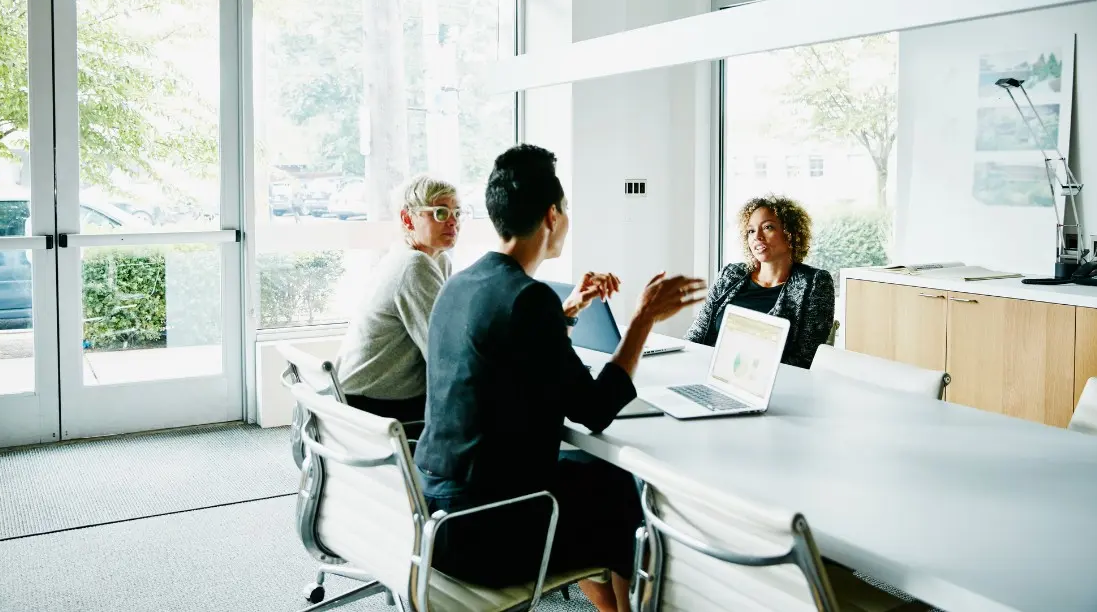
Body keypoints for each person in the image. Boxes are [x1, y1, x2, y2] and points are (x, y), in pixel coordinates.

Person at [413, 144, 706, 612]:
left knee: (596, 479)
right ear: (553, 215)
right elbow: (594, 409)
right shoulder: (527, 299)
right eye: (565, 209)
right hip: (484, 529)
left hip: (433, 514)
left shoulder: (462, 282)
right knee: (620, 489)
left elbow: (510, 354)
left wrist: (567, 313)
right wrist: (642, 320)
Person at [334, 175, 464, 427]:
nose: (452, 222)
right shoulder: (414, 265)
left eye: (457, 213)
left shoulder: (433, 260)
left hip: (359, 396)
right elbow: (444, 351)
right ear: (407, 219)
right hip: (371, 406)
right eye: (439, 213)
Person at [685, 195, 835, 369]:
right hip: (710, 372)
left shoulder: (815, 283)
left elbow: (806, 359)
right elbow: (697, 334)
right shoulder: (731, 275)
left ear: (791, 234)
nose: (757, 236)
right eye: (751, 231)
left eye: (768, 227)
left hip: (772, 386)